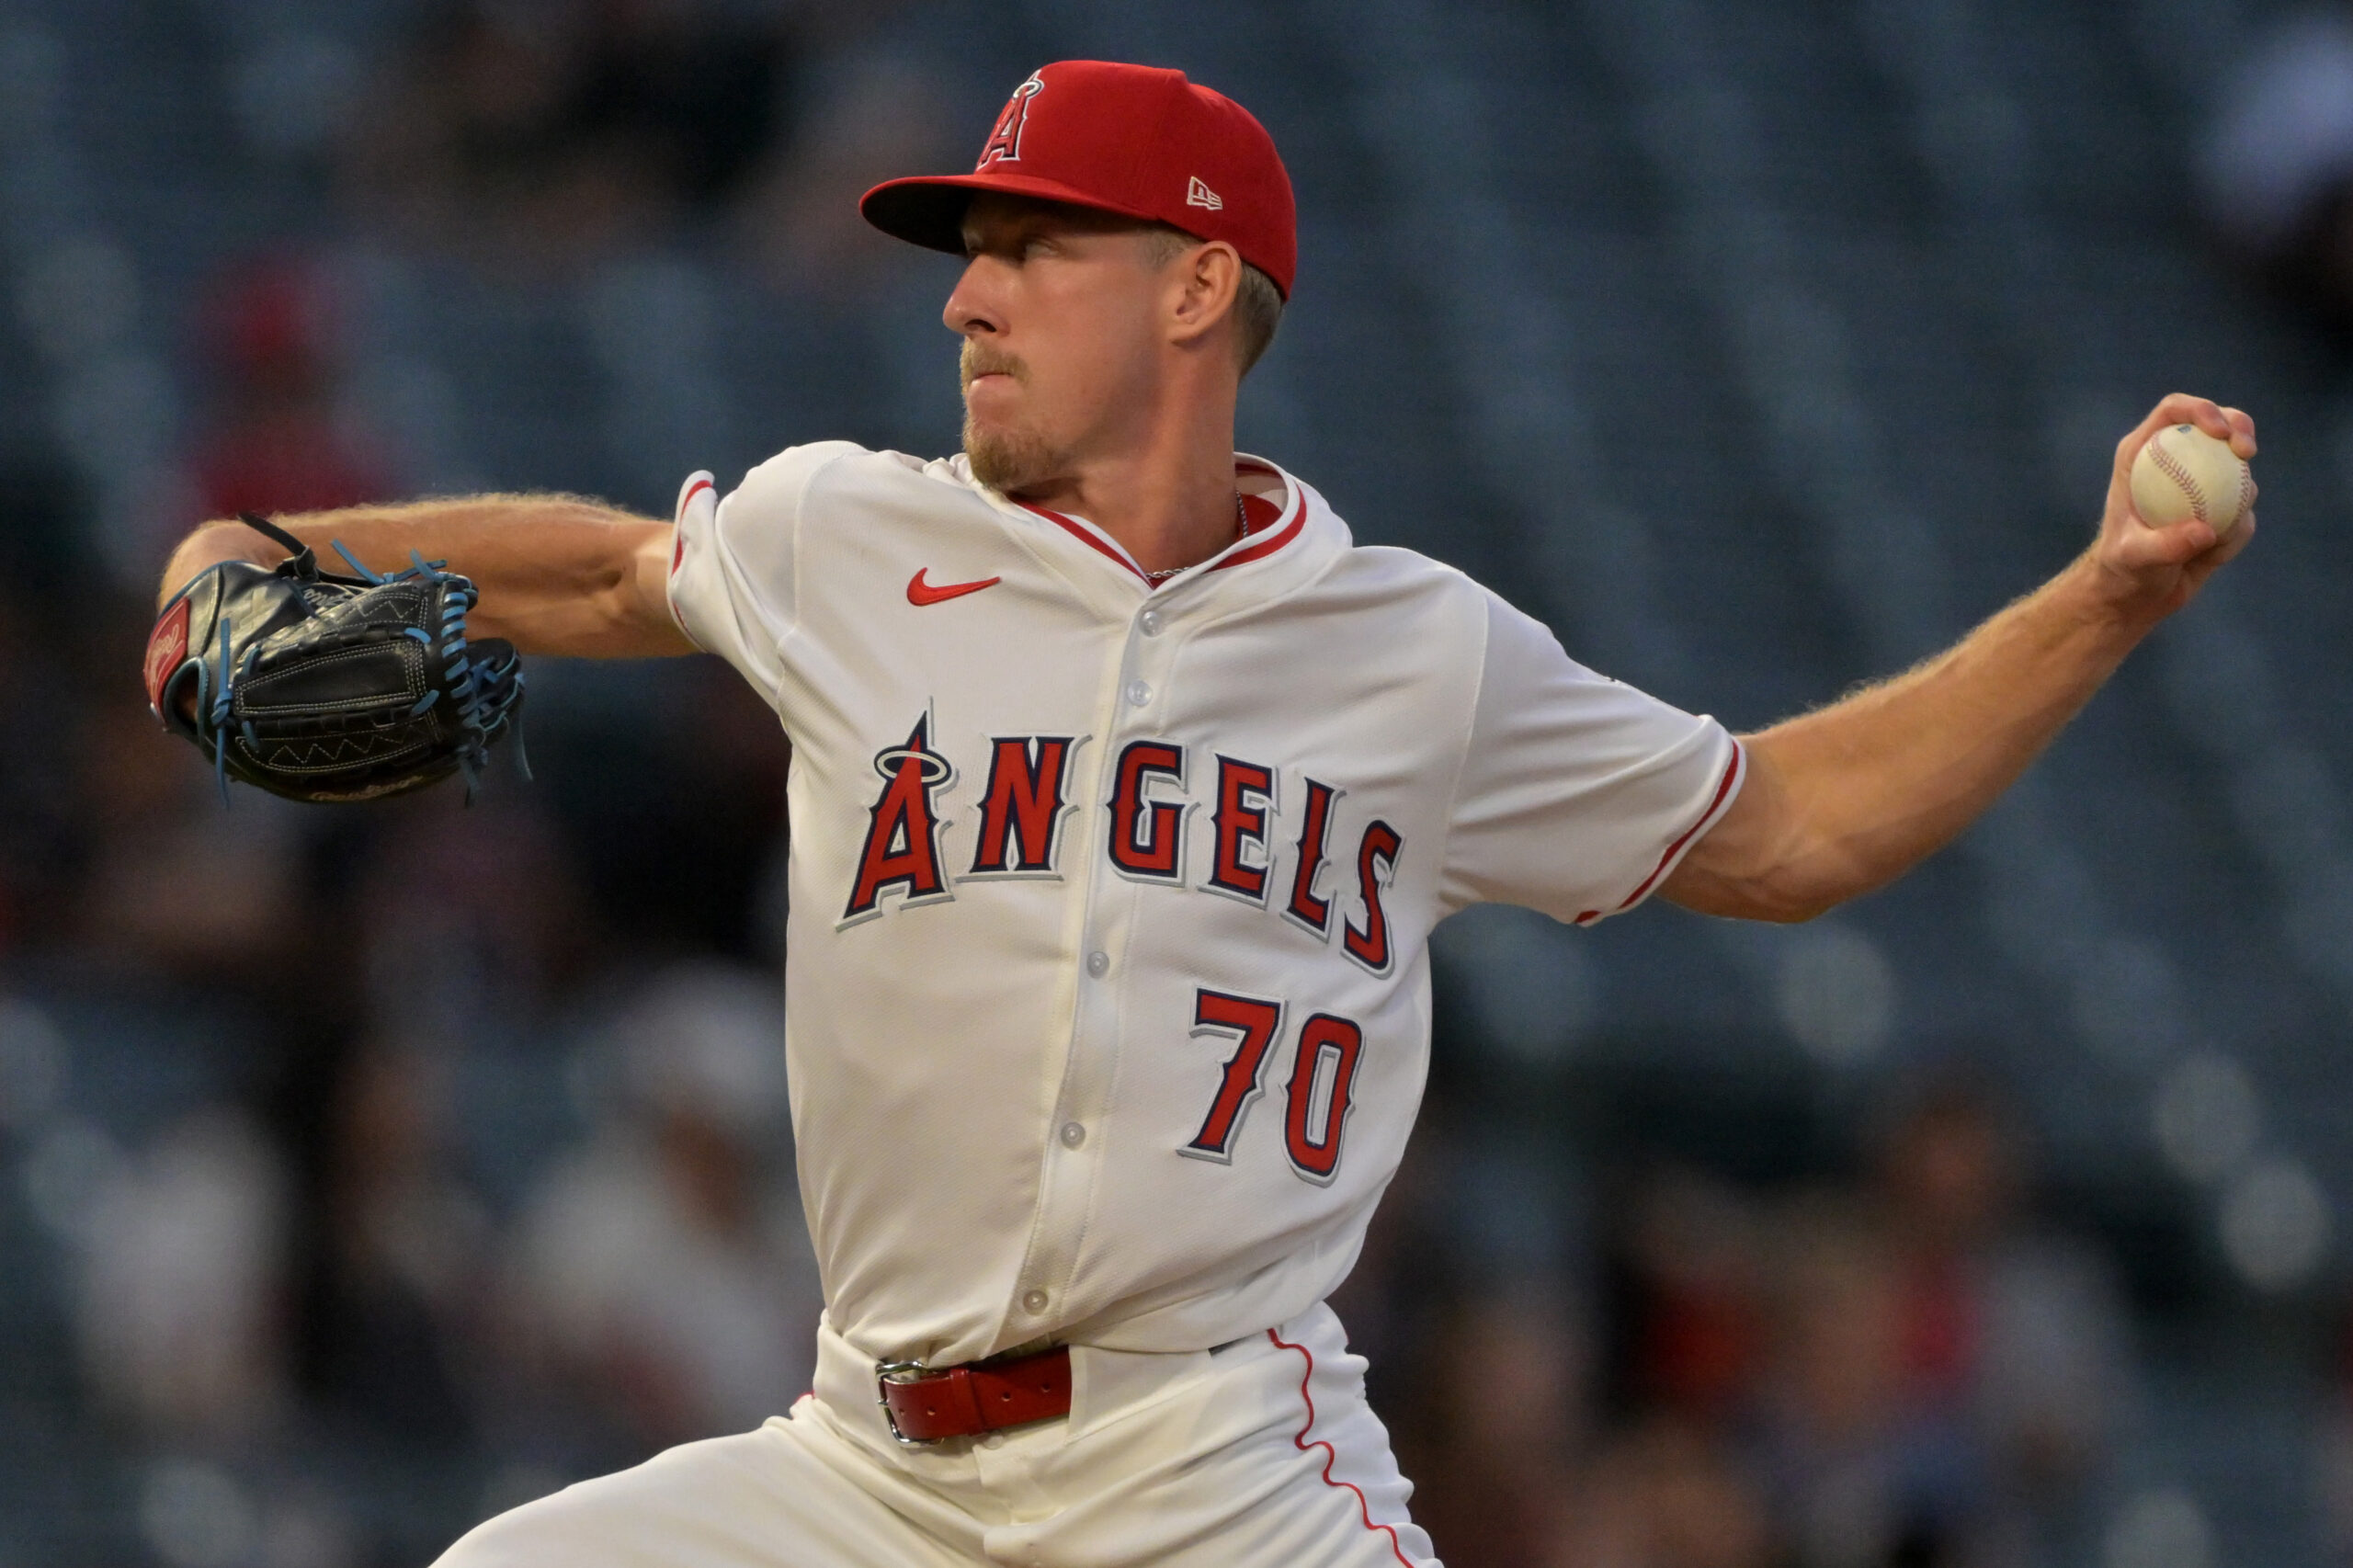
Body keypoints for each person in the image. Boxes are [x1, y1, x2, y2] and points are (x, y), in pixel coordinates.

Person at [154, 58, 2253, 1568]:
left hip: (1212, 1475)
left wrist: (2097, 598)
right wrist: (266, 539)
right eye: (963, 252)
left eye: (1024, 249)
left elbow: (1788, 828)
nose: (965, 294)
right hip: (856, 1466)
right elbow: (604, 572)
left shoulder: (1412, 655)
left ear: (1189, 286)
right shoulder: (845, 537)